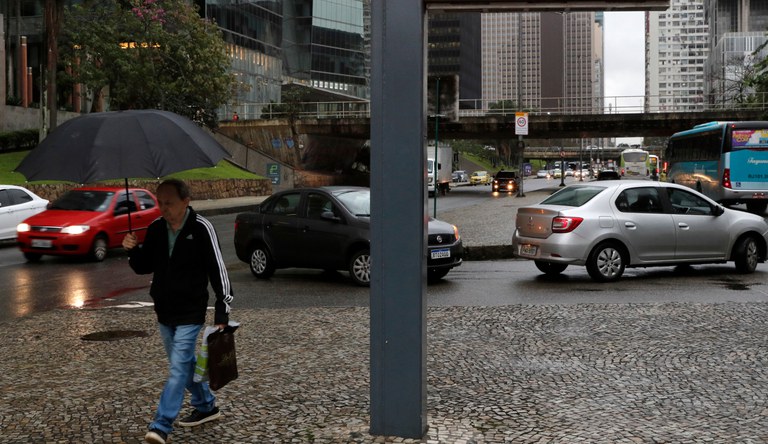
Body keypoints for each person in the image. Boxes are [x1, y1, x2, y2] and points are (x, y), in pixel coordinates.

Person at [122, 179, 234, 444]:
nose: (163, 208)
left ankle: (161, 425)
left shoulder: (202, 228)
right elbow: (143, 266)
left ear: (186, 201)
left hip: (191, 311)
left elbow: (218, 270)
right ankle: (207, 406)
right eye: (159, 203)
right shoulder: (156, 228)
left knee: (177, 367)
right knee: (183, 365)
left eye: (169, 203)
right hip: (164, 311)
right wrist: (131, 249)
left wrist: (222, 313)